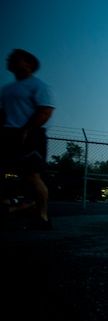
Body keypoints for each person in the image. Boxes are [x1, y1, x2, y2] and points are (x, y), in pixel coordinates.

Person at [1, 49, 55, 230]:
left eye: (16, 58)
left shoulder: (37, 85)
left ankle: (42, 217)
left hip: (32, 135)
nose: (9, 59)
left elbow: (45, 110)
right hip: (8, 134)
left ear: (28, 64)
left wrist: (26, 130)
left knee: (32, 176)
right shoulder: (7, 89)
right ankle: (14, 204)